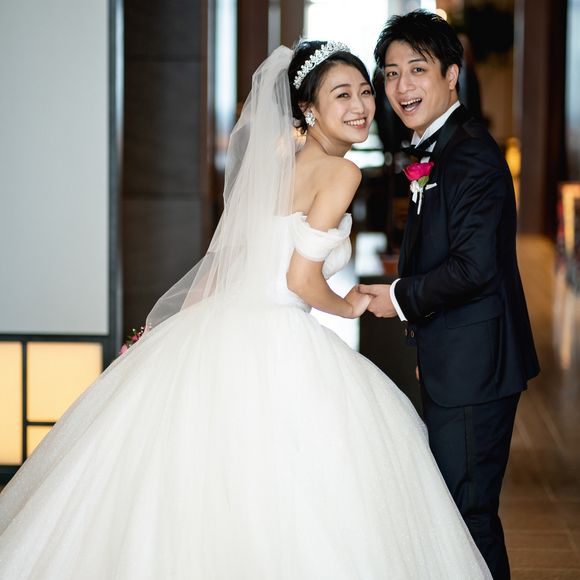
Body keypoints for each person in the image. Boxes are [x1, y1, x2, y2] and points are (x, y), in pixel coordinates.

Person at [0, 41, 491, 579]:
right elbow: (300, 279)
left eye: (365, 91)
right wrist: (348, 305)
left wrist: (167, 334)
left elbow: (229, 265)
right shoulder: (341, 173)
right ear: (307, 108)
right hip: (278, 336)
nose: (361, 106)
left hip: (223, 327)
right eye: (342, 95)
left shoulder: (279, 167)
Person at [359, 11, 540, 579]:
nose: (401, 86)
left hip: (476, 366)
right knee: (460, 512)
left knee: (468, 516)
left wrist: (398, 297)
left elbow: (473, 268)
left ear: (452, 74)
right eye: (391, 73)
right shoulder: (436, 150)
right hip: (456, 356)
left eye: (417, 69)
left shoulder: (471, 155)